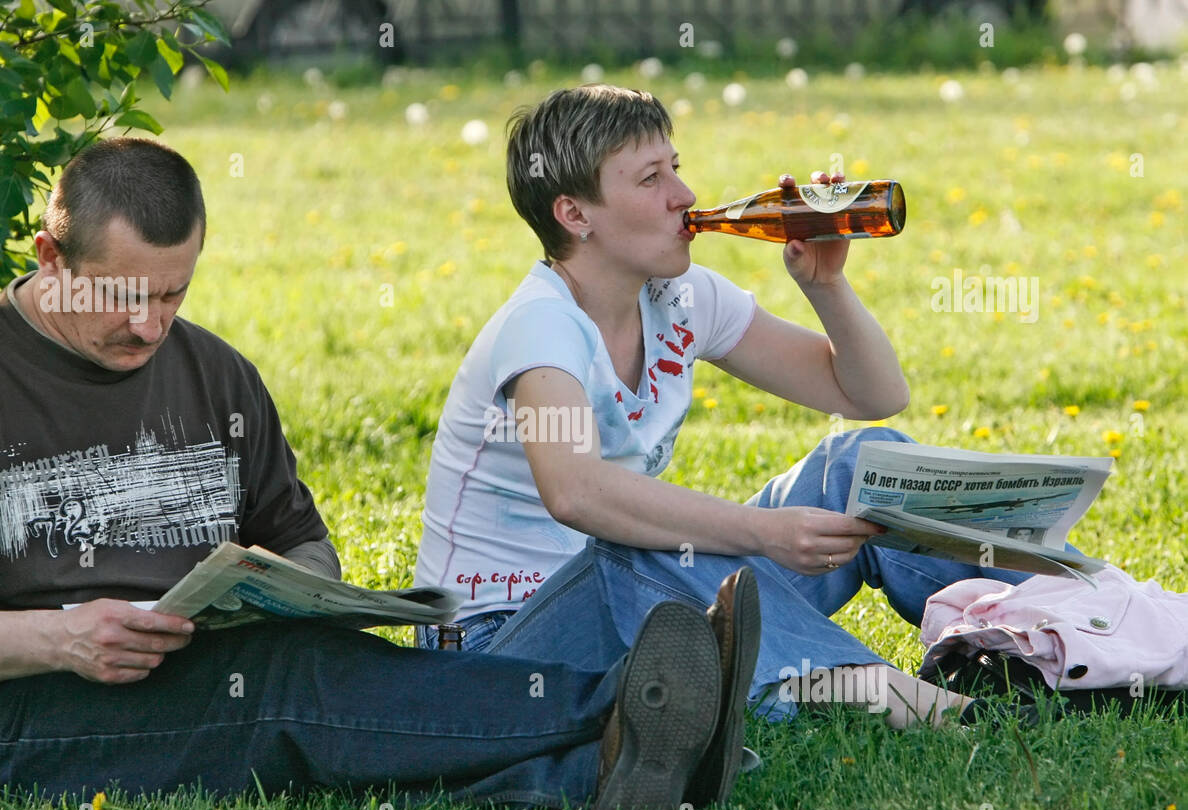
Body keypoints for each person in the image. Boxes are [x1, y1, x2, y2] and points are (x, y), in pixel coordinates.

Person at [0, 137, 761, 810]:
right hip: (16, 725)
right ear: (49, 255)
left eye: (174, 295)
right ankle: (630, 704)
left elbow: (298, 537)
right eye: (121, 299)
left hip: (205, 673)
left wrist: (290, 590)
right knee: (292, 693)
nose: (151, 327)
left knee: (322, 697)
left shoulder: (213, 373)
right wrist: (62, 638)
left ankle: (606, 774)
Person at [415, 84, 1038, 728]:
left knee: (854, 467)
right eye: (651, 178)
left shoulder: (681, 298)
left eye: (676, 168)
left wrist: (825, 285)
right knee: (627, 551)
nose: (684, 197)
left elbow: (872, 395)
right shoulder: (541, 325)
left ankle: (1063, 632)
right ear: (576, 214)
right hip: (502, 646)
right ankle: (907, 703)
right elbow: (578, 494)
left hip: (649, 595)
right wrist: (763, 533)